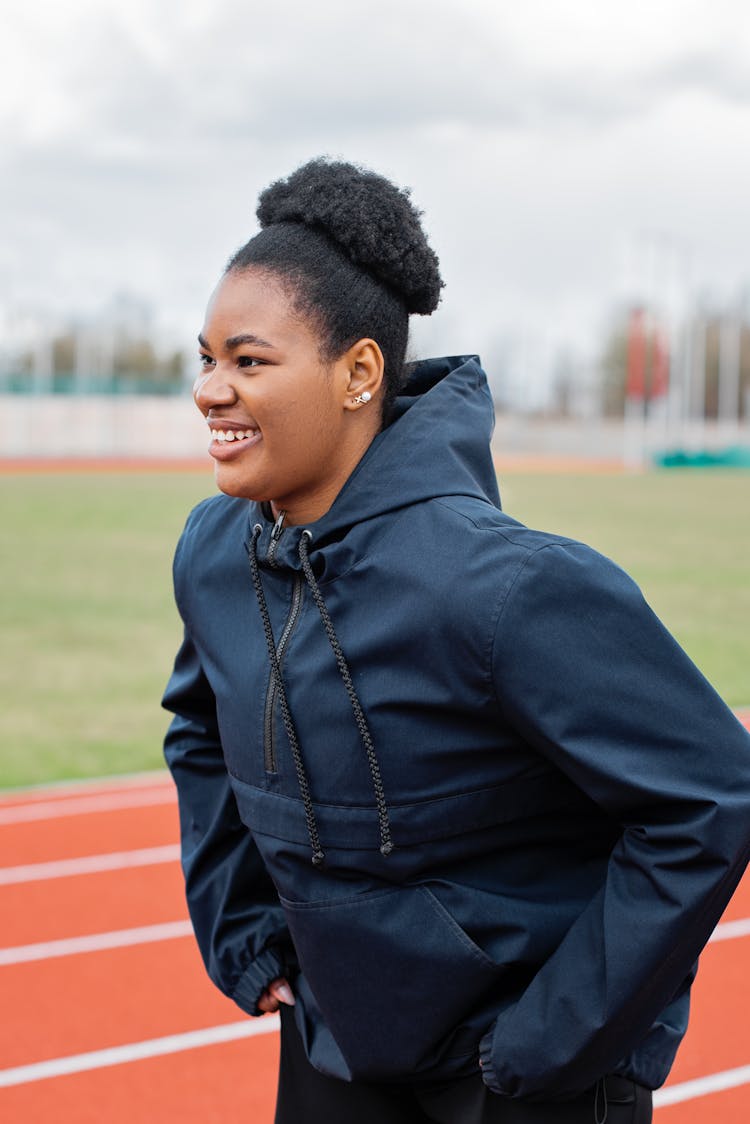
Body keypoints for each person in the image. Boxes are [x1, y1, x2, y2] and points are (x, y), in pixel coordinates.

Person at [162, 158, 750, 1124]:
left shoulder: (509, 588)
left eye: (250, 361)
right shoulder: (215, 550)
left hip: (522, 1081)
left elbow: (708, 798)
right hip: (334, 1044)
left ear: (358, 373)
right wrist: (243, 930)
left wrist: (552, 1040)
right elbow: (199, 727)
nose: (210, 390)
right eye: (208, 357)